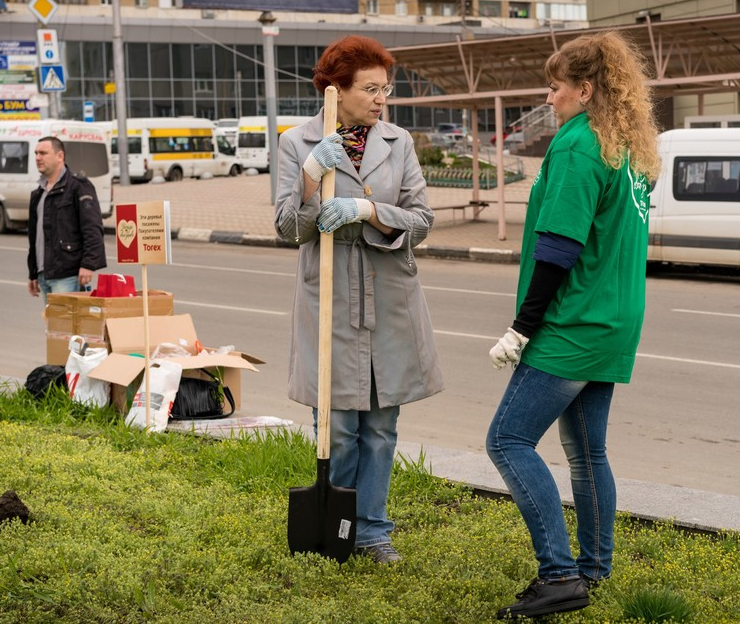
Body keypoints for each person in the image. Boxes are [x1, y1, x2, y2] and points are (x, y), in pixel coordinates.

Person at [485, 31, 661, 619]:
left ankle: (560, 577)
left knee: (507, 440)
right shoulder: (626, 146)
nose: (550, 96)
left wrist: (521, 327)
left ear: (585, 91)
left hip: (573, 320)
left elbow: (559, 247)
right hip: (615, 318)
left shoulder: (578, 144)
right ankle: (593, 570)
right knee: (588, 452)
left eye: (556, 86)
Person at [274, 35, 444, 564]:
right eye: (370, 89)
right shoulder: (297, 143)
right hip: (331, 298)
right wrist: (311, 174)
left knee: (381, 427)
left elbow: (422, 220)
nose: (380, 99)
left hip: (390, 298)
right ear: (336, 90)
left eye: (384, 89)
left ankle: (372, 531)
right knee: (339, 426)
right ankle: (336, 526)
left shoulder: (399, 142)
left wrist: (370, 213)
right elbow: (285, 225)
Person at [27, 136, 107, 303]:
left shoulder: (78, 186)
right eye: (36, 153)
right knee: (54, 328)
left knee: (66, 327)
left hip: (68, 274)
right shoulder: (38, 194)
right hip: (44, 274)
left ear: (60, 156)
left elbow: (93, 227)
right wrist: (33, 272)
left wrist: (88, 264)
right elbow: (36, 238)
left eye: (43, 153)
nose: (37, 158)